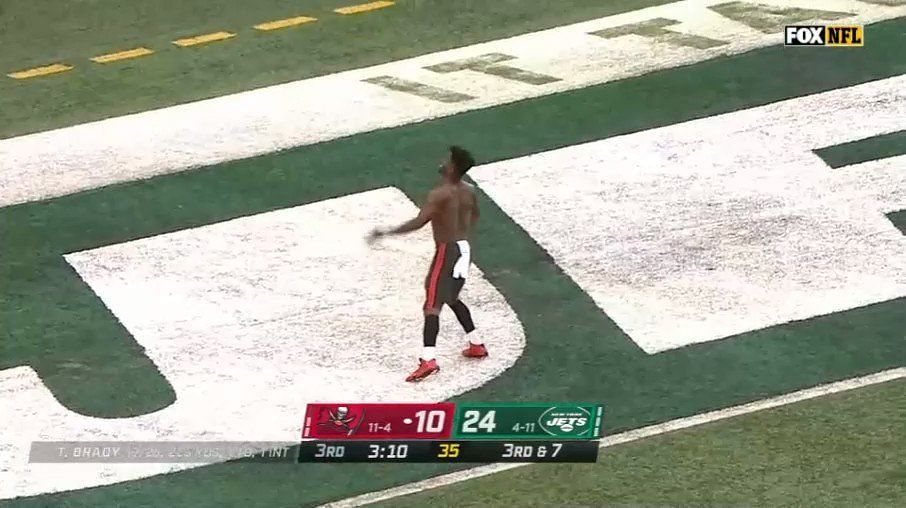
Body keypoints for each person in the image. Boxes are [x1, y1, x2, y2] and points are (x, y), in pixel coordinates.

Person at [367, 146, 488, 382]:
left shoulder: (440, 194)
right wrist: (458, 232)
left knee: (432, 303)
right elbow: (475, 216)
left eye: (447, 159)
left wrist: (386, 232)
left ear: (453, 167)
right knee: (451, 297)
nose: (443, 161)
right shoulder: (470, 191)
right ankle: (476, 344)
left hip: (447, 251)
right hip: (464, 248)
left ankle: (428, 359)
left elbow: (419, 222)